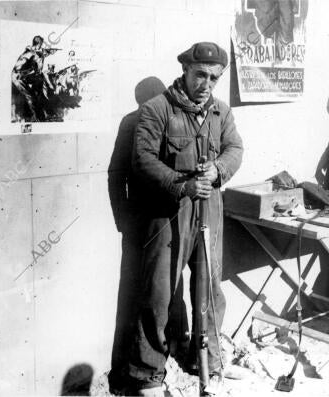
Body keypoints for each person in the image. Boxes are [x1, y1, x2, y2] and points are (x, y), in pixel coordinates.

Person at [127, 42, 243, 396]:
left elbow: (234, 148)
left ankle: (207, 358)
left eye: (214, 78)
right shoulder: (157, 109)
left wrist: (217, 171)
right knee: (160, 293)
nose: (206, 84)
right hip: (168, 212)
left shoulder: (221, 112)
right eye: (201, 75)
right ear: (185, 72)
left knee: (210, 287)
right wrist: (184, 185)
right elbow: (143, 160)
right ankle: (147, 373)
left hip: (210, 208)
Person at [11, 35, 56, 121]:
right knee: (30, 96)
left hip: (26, 77)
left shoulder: (38, 52)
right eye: (41, 44)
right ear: (38, 44)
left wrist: (50, 52)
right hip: (18, 77)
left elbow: (42, 54)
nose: (42, 46)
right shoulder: (29, 53)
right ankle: (38, 118)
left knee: (39, 86)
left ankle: (43, 114)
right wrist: (31, 71)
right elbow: (17, 68)